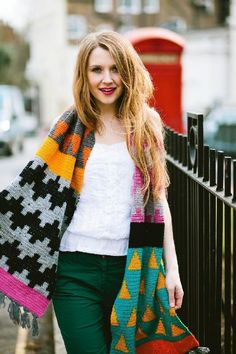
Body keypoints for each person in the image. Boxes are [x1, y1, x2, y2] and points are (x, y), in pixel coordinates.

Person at [0, 31, 201, 354]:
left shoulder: (146, 125)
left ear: (128, 71)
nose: (107, 79)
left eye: (115, 68)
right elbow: (37, 191)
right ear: (84, 75)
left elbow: (159, 198)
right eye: (97, 70)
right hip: (75, 272)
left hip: (133, 267)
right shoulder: (67, 128)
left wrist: (172, 269)